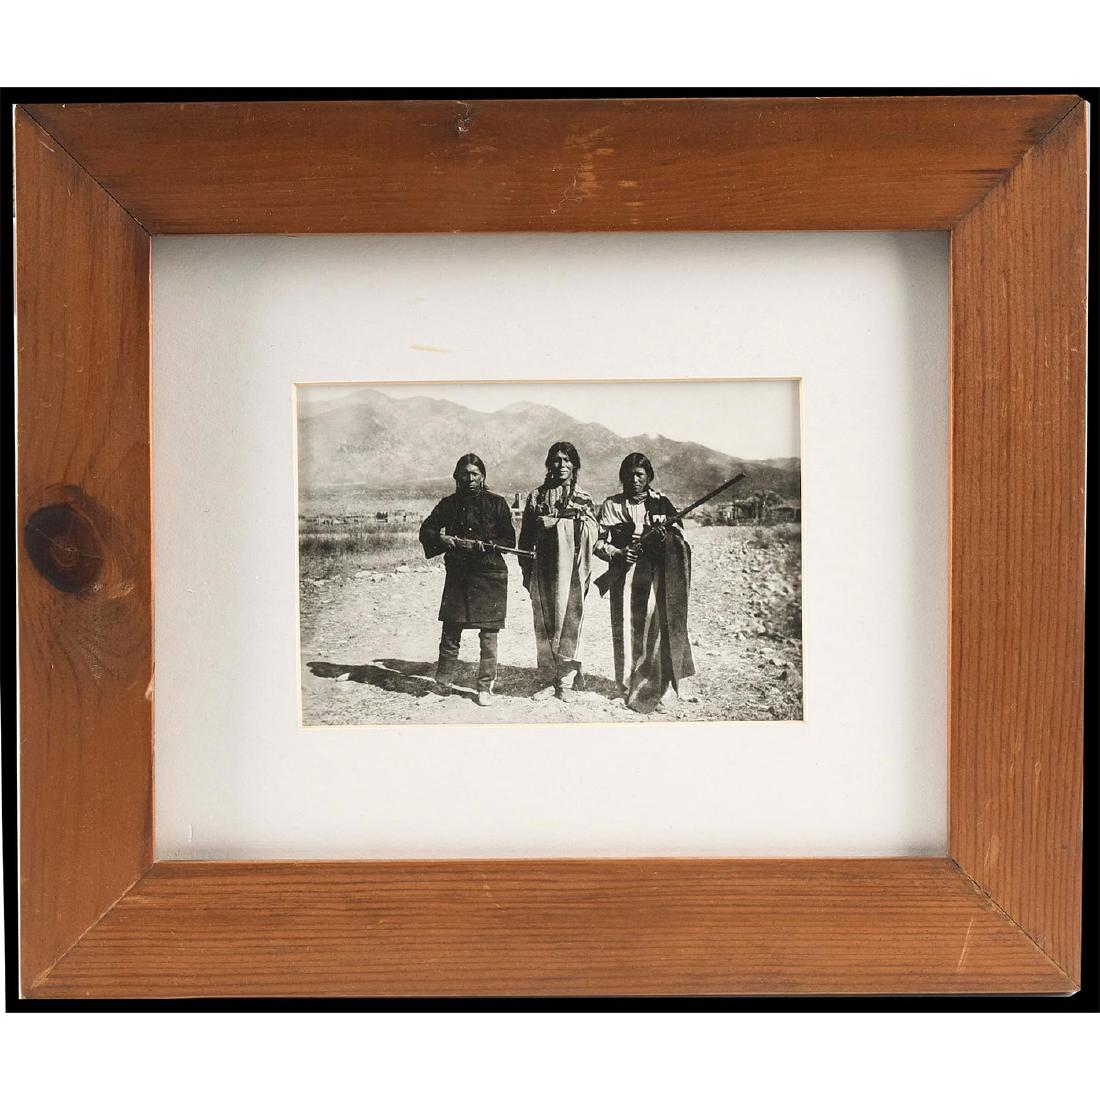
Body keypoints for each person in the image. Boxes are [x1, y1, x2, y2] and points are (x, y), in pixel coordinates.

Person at [594, 452, 695, 713]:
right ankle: (626, 687)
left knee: (654, 629)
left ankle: (654, 689)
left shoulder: (662, 504)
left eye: (640, 474)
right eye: (629, 475)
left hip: (654, 576)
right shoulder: (611, 505)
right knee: (625, 629)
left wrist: (664, 537)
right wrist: (617, 553)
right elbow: (598, 543)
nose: (634, 479)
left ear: (648, 476)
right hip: (623, 578)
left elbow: (680, 538)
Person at [419, 453, 516, 706]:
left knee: (489, 635)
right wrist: (442, 539)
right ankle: (442, 686)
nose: (470, 478)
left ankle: (484, 687)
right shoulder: (448, 504)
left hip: (490, 575)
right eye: (465, 474)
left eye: (475, 474)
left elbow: (509, 540)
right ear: (457, 477)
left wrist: (489, 544)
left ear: (482, 476)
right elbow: (426, 529)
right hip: (459, 576)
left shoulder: (497, 504)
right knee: (450, 633)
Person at [518, 441, 599, 701]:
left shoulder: (583, 498)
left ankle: (565, 680)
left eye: (567, 460)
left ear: (575, 465)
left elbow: (593, 532)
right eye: (556, 459)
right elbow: (525, 538)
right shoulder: (536, 497)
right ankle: (546, 679)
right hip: (542, 571)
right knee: (543, 623)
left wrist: (557, 522)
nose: (561, 465)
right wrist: (526, 571)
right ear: (549, 464)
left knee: (568, 620)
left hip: (571, 572)